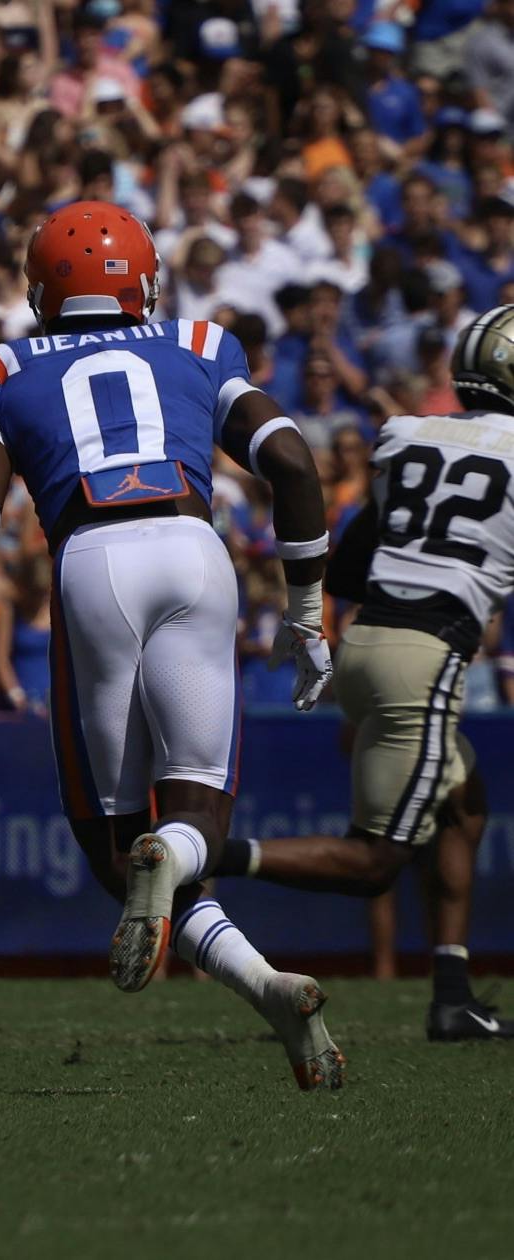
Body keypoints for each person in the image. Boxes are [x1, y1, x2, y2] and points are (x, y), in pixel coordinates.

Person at [0, 203, 342, 1089]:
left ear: (40, 290)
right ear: (144, 281)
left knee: (116, 846)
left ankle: (216, 929)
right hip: (194, 551)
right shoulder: (199, 343)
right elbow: (294, 463)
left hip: (93, 559)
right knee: (197, 818)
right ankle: (267, 984)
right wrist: (306, 610)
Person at [209, 307, 514, 1042]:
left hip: (367, 642)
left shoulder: (411, 434)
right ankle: (198, 856)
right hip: (424, 657)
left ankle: (452, 997)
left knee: (464, 804)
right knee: (374, 861)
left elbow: (349, 566)